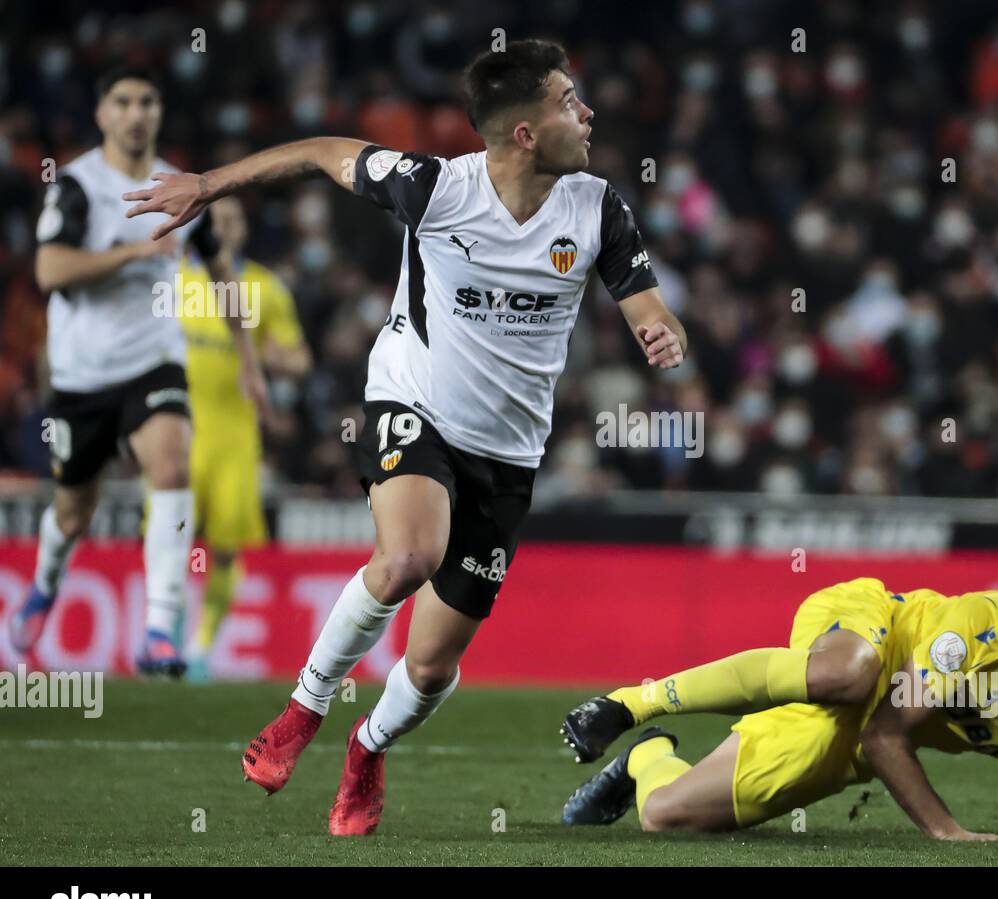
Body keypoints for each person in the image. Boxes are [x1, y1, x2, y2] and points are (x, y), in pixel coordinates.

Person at [124, 39, 686, 835]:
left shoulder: (597, 208)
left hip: (508, 453)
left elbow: (646, 305)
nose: (586, 113)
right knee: (407, 558)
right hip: (413, 404)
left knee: (429, 665)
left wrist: (665, 334)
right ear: (524, 131)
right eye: (569, 101)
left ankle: (367, 745)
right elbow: (324, 152)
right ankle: (303, 710)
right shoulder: (434, 187)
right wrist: (207, 185)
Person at [561, 578, 998, 844]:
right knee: (848, 674)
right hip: (871, 629)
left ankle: (648, 756)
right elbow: (888, 733)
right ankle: (627, 704)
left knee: (665, 816)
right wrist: (946, 832)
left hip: (859, 734)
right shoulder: (986, 629)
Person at [9, 65, 267, 677]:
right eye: (122, 101)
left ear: (158, 113)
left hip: (154, 361)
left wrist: (249, 361)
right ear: (102, 115)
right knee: (74, 511)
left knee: (172, 466)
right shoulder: (75, 186)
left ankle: (159, 628)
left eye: (147, 101)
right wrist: (134, 252)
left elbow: (221, 270)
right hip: (81, 376)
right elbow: (50, 271)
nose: (136, 112)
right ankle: (45, 583)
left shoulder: (182, 188)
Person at [173, 196, 311, 680]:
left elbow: (299, 360)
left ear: (245, 230)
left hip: (234, 438)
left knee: (226, 546)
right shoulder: (174, 280)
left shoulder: (265, 289)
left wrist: (273, 357)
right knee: (171, 537)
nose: (226, 227)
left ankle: (201, 648)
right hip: (178, 432)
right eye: (218, 220)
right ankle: (164, 633)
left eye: (235, 219)